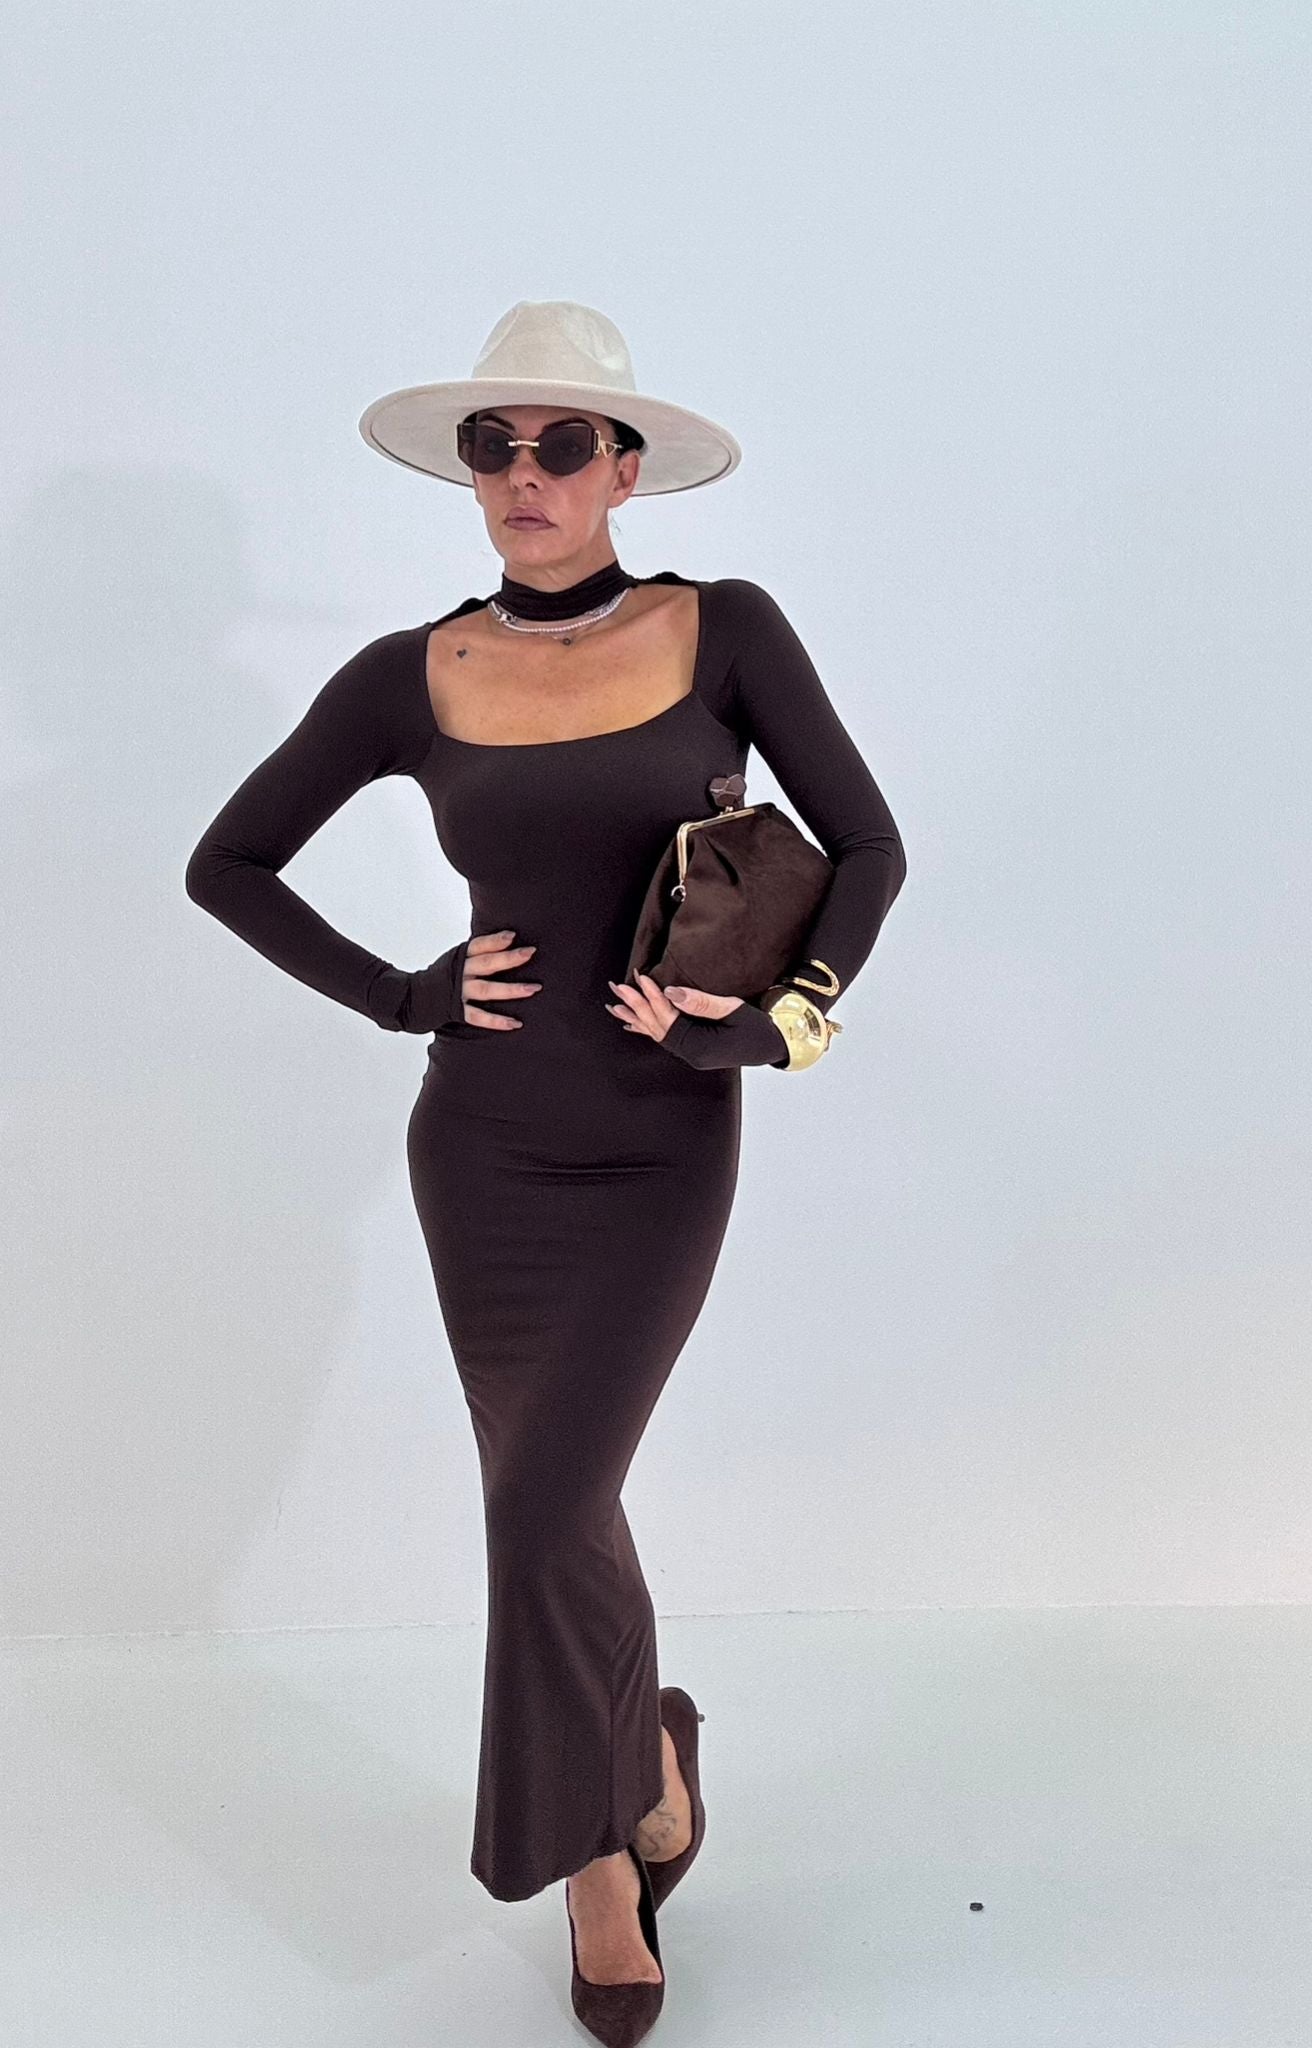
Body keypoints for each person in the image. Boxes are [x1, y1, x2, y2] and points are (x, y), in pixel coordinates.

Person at [184, 299, 907, 2045]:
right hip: (486, 1149)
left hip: (660, 1140)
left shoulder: (725, 630)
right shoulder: (411, 672)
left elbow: (870, 846)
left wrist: (772, 1028)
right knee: (548, 1504)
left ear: (624, 472)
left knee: (546, 1502)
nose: (525, 473)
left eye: (562, 443)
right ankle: (615, 1828)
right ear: (469, 473)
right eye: (493, 446)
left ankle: (622, 1794)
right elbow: (230, 863)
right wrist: (405, 994)